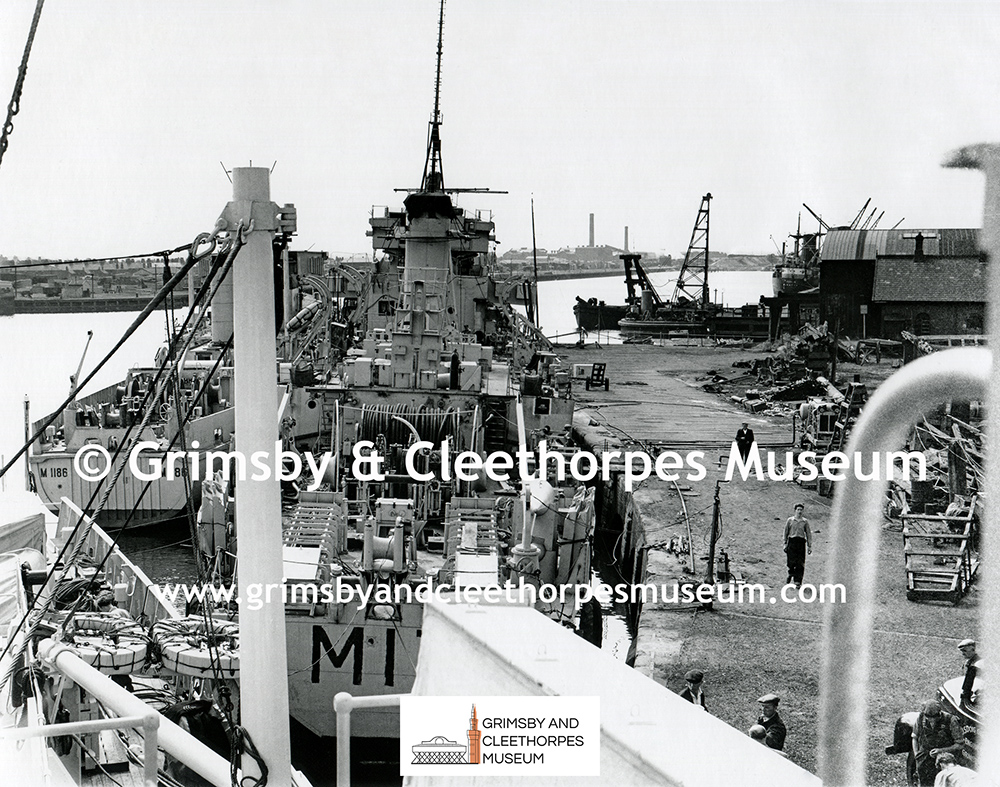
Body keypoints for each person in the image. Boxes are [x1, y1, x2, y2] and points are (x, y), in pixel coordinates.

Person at [913, 700, 964, 787]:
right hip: (925, 757)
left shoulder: (950, 720)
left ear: (940, 713)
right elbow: (914, 737)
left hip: (945, 760)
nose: (932, 720)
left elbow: (960, 744)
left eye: (935, 717)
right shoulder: (920, 718)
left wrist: (941, 750)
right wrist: (916, 755)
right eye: (928, 717)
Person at [783, 504, 812, 587]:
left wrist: (809, 546)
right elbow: (785, 532)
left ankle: (798, 581)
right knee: (791, 561)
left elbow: (808, 534)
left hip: (801, 542)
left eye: (801, 510)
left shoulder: (805, 521)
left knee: (800, 562)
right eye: (798, 509)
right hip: (792, 541)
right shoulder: (790, 520)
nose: (799, 511)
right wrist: (785, 543)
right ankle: (791, 573)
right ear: (795, 510)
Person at [958, 639, 982, 706]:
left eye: (965, 651)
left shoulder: (978, 664)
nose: (963, 653)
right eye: (962, 651)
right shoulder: (969, 662)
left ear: (972, 649)